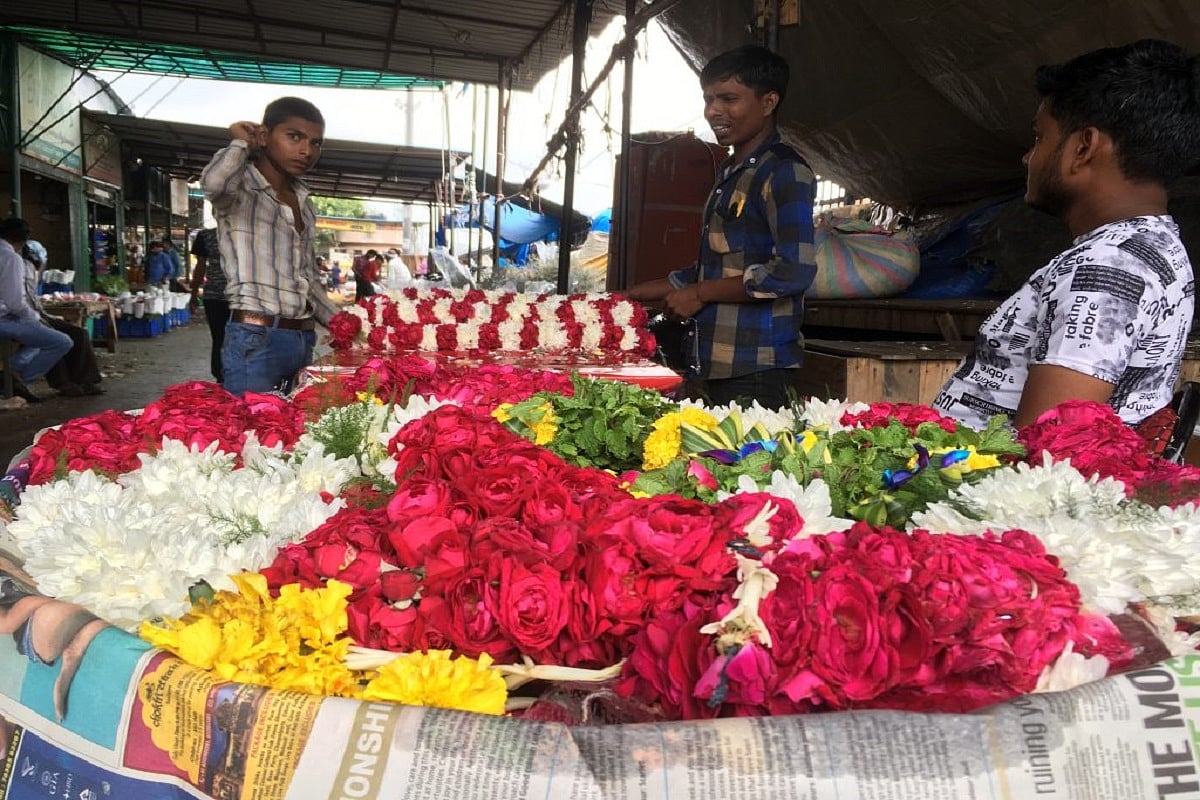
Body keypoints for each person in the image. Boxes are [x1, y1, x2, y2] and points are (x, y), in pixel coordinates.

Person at [933, 40, 1200, 431]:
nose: (1028, 157)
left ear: (1083, 148)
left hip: (988, 489)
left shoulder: (1106, 267)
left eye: (1040, 138)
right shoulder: (1155, 245)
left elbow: (1046, 454)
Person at [626, 45, 816, 409]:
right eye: (709, 99)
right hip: (712, 361)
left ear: (768, 101)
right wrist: (628, 297)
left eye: (729, 99)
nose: (714, 111)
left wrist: (701, 293)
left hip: (756, 368)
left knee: (745, 465)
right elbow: (708, 271)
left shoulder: (784, 172)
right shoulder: (730, 173)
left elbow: (793, 271)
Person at [201, 96, 339, 396]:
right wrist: (240, 143)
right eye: (294, 137)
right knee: (255, 435)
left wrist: (347, 325)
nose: (306, 150)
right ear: (264, 136)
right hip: (256, 336)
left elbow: (308, 280)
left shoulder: (303, 200)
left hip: (302, 338)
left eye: (316, 143)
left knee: (293, 434)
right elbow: (213, 184)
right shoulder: (239, 190)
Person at [0, 218, 72, 403]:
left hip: (8, 317)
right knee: (61, 341)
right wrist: (35, 318)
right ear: (23, 241)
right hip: (4, 319)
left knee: (36, 338)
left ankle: (10, 371)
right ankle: (18, 380)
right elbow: (15, 302)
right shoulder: (11, 258)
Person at [21, 243, 104, 397]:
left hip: (36, 315)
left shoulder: (27, 268)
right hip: (22, 319)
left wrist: (46, 316)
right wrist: (39, 319)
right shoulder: (14, 266)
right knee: (54, 338)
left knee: (79, 333)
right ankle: (63, 383)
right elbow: (18, 304)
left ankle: (86, 380)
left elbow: (32, 300)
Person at [190, 227, 231, 383]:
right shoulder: (247, 233)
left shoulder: (206, 235)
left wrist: (194, 294)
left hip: (215, 296)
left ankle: (220, 376)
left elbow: (200, 267)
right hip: (240, 296)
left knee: (219, 338)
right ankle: (229, 376)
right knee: (239, 336)